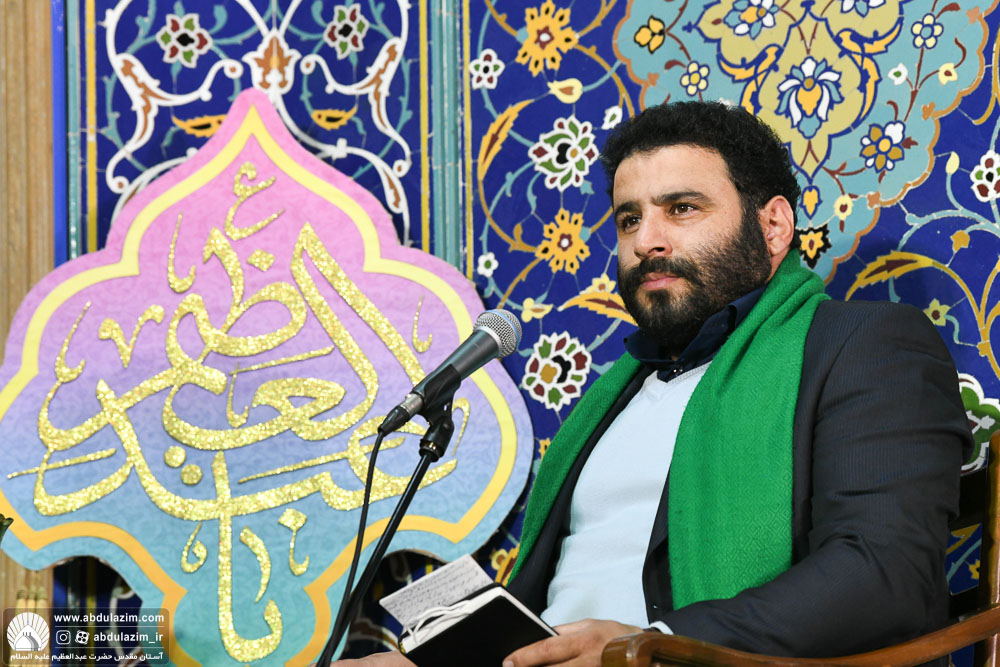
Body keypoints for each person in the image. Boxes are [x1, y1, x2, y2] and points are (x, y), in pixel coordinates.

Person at [332, 102, 971, 666]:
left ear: (774, 226)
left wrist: (655, 648)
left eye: (682, 209)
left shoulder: (861, 346)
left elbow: (885, 575)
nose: (648, 241)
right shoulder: (614, 396)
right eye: (629, 219)